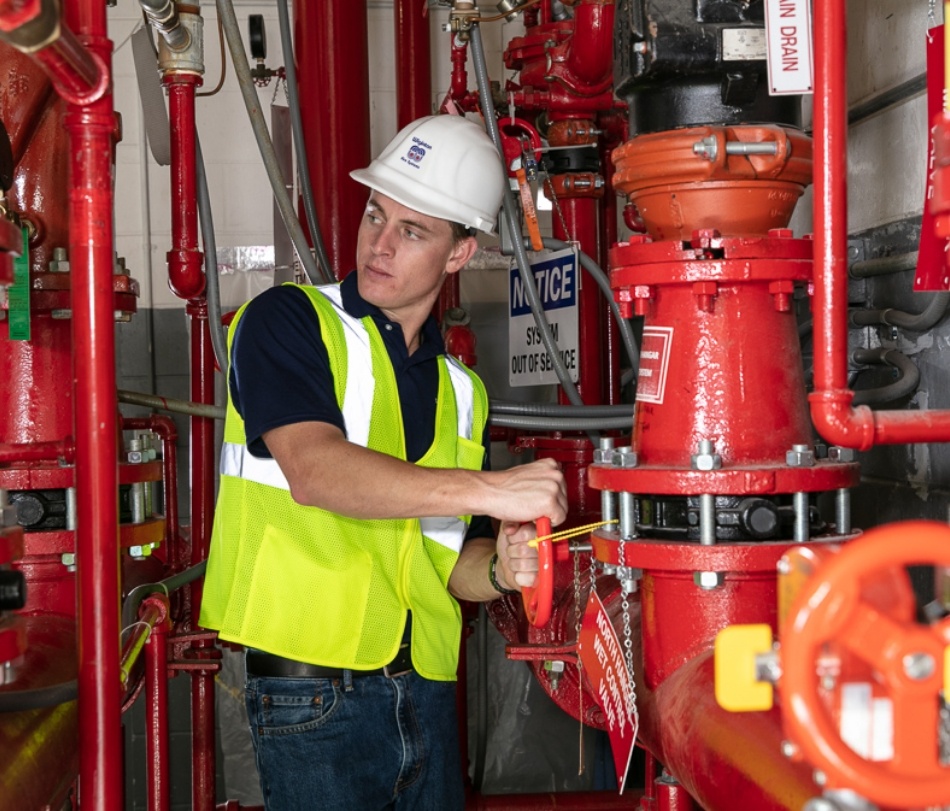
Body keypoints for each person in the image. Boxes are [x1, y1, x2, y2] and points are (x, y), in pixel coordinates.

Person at [199, 114, 568, 811]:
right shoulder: (287, 321)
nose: (379, 242)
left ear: (459, 255)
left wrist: (502, 568)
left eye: (413, 230)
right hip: (310, 695)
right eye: (376, 214)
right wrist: (497, 487)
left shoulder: (463, 393)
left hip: (424, 694)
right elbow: (315, 471)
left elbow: (441, 565)